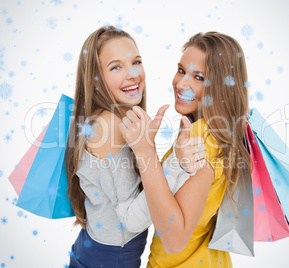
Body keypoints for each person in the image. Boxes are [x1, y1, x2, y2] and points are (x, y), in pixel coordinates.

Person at [65, 26, 204, 268]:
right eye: (116, 67)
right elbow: (131, 220)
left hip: (94, 252)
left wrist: (147, 148)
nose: (133, 74)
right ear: (94, 78)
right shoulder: (109, 125)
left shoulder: (110, 117)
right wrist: (174, 162)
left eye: (136, 62)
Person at [120, 31, 252, 267]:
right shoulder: (221, 132)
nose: (181, 83)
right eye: (181, 70)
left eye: (199, 77)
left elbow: (174, 239)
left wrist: (145, 152)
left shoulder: (201, 141)